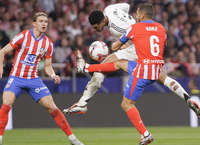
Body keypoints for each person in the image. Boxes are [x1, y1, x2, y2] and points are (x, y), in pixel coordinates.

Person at [63, 3, 200, 118]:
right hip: (146, 45)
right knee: (159, 76)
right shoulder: (109, 9)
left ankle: (82, 102)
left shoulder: (117, 27)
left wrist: (126, 40)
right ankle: (187, 98)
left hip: (136, 47)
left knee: (102, 68)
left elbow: (121, 40)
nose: (95, 30)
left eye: (95, 27)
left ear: (103, 21)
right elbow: (126, 6)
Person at [0, 12, 84, 145]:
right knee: (7, 103)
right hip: (16, 77)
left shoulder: (48, 44)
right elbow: (2, 51)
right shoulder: (23, 36)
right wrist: (0, 68)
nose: (44, 24)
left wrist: (53, 75)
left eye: (46, 21)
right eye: (41, 21)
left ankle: (72, 138)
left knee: (52, 107)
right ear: (34, 23)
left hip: (34, 79)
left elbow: (48, 66)